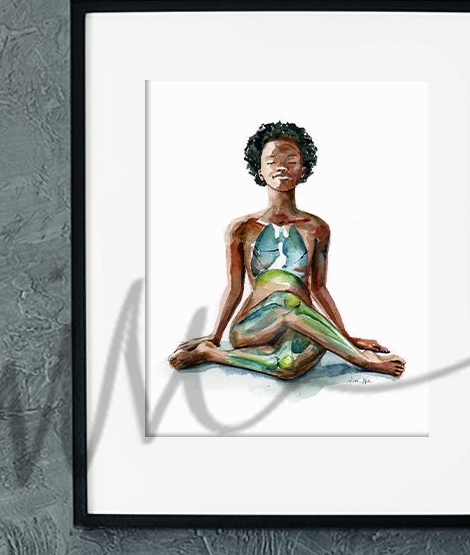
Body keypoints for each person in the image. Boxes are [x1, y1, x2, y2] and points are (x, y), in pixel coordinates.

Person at [169, 122, 406, 380]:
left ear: (303, 170)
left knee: (288, 365)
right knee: (285, 300)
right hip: (253, 327)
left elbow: (319, 288)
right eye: (271, 161)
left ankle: (211, 355)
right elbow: (234, 288)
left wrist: (344, 336)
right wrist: (216, 336)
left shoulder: (317, 228)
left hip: (303, 324)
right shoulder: (240, 228)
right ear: (259, 171)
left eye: (290, 160)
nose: (281, 166)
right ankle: (363, 361)